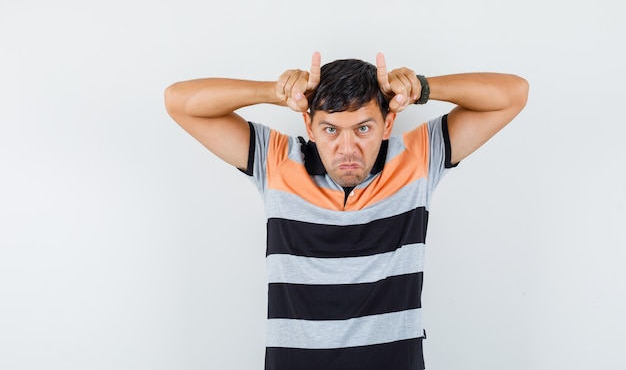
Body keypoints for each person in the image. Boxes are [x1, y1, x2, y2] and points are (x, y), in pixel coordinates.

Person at [164, 52, 529, 370]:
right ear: (309, 124)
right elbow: (179, 101)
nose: (347, 148)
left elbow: (513, 94)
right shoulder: (277, 161)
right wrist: (271, 93)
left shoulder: (417, 158)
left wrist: (422, 86)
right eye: (330, 129)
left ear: (388, 123)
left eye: (363, 128)